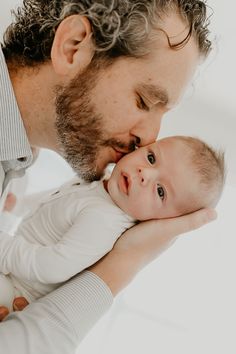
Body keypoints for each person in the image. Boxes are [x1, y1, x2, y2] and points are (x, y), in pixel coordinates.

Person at [0, 1, 217, 353]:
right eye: (144, 101)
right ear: (73, 48)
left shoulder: (16, 169)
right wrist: (121, 266)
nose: (148, 139)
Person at [0, 135, 225, 311]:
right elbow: (56, 198)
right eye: (151, 158)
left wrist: (5, 249)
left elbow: (52, 266)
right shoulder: (104, 181)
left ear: (163, 221)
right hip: (14, 259)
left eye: (160, 191)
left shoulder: (105, 222)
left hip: (18, 290)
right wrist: (19, 205)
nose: (145, 173)